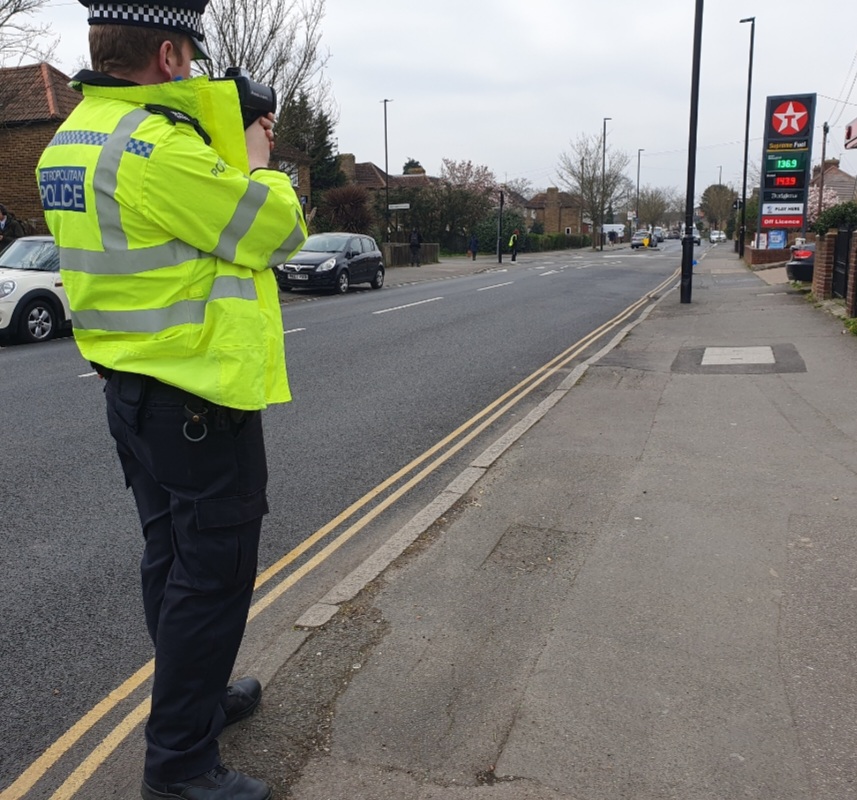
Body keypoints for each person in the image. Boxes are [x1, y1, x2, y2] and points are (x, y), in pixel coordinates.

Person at [36, 0, 307, 798]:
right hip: (195, 395)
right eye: (187, 52)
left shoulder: (73, 136)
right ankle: (182, 766)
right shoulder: (155, 149)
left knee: (172, 559)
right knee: (212, 576)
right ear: (165, 54)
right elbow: (275, 229)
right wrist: (257, 158)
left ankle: (198, 697)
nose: (190, 65)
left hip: (133, 394)